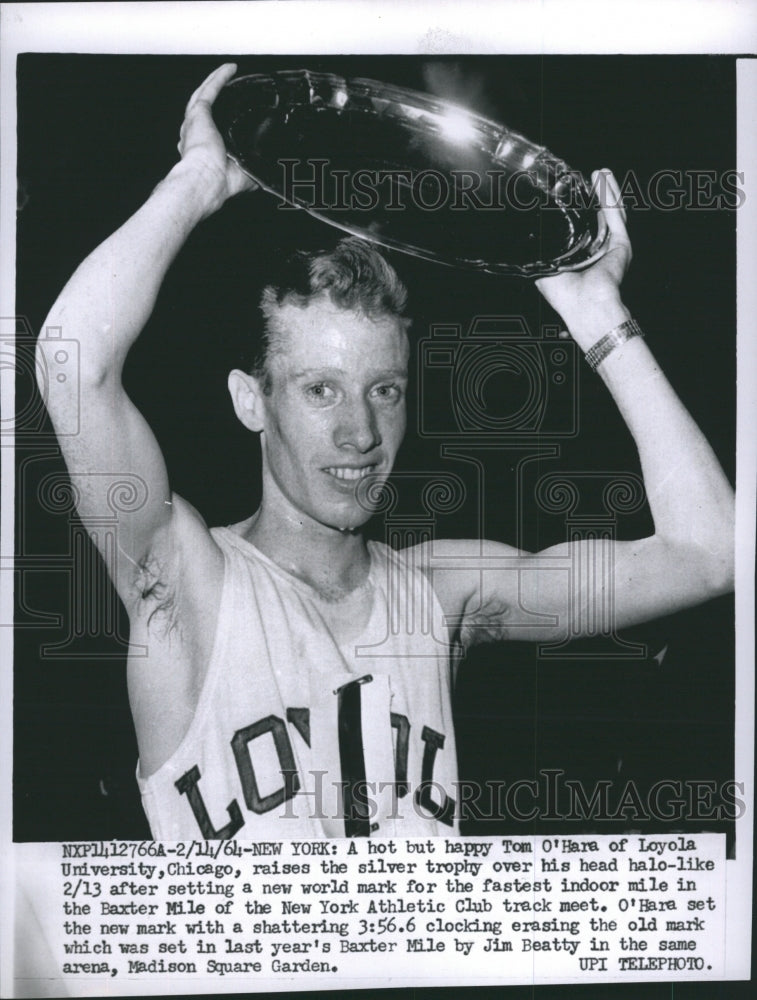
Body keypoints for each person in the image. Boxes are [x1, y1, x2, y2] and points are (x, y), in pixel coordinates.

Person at [37, 64, 734, 840]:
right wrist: (200, 179)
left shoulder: (441, 596)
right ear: (249, 399)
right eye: (321, 390)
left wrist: (596, 311)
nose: (360, 434)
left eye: (385, 390)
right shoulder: (183, 581)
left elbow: (710, 552)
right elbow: (72, 363)